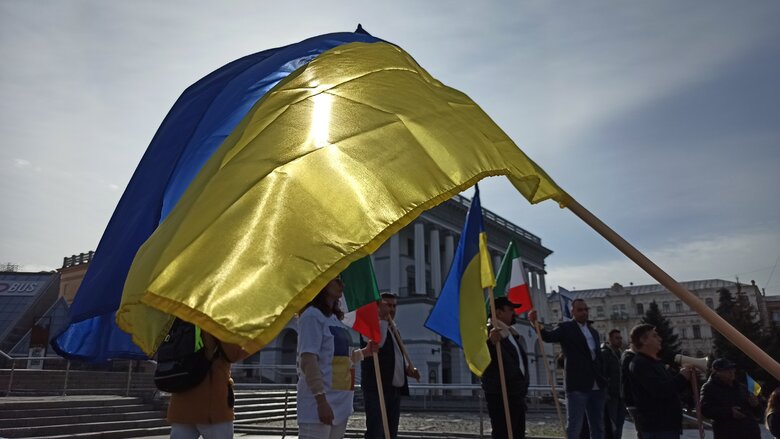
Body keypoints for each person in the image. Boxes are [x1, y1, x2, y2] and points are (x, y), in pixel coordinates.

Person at [297, 277, 377, 439]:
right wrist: (321, 401)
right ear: (322, 283)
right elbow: (308, 360)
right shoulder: (312, 316)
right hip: (319, 405)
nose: (343, 284)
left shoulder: (336, 320)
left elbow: (342, 359)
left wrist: (365, 352)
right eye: (337, 280)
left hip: (341, 404)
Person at [529, 299, 607, 439]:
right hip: (577, 385)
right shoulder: (566, 328)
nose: (584, 312)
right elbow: (548, 336)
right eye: (580, 310)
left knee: (598, 425)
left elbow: (598, 357)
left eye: (585, 309)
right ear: (573, 312)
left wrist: (604, 377)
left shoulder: (593, 332)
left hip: (597, 385)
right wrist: (535, 324)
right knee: (574, 425)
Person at [167, 330, 251, 439]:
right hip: (212, 406)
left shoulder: (183, 319)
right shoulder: (214, 323)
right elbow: (234, 354)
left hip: (181, 403)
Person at [361, 292, 420, 439]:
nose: (392, 309)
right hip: (377, 388)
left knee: (391, 433)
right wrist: (381, 319)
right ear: (378, 306)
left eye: (394, 306)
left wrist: (407, 371)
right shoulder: (370, 327)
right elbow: (377, 345)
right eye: (387, 305)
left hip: (394, 391)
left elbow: (394, 357)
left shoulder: (394, 329)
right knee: (376, 432)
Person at [626, 324, 693, 439]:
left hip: (667, 425)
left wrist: (686, 378)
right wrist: (682, 377)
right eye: (654, 336)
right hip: (658, 427)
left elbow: (672, 388)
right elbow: (661, 390)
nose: (660, 339)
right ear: (644, 340)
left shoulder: (655, 363)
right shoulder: (640, 364)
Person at [482, 296, 530, 439]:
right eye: (510, 310)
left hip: (516, 394)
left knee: (517, 433)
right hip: (501, 394)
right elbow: (482, 357)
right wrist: (490, 342)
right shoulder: (489, 332)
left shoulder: (510, 333)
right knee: (503, 433)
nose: (514, 313)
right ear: (498, 312)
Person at [699, 358, 762, 439]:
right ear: (717, 372)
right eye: (726, 370)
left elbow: (758, 413)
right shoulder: (709, 388)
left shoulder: (741, 387)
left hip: (750, 433)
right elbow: (705, 410)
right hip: (728, 433)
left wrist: (756, 405)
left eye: (732, 369)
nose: (731, 372)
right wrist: (729, 412)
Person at [600, 329, 625, 439]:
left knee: (620, 424)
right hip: (611, 395)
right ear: (610, 339)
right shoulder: (605, 353)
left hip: (621, 395)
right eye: (617, 338)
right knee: (611, 424)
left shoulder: (620, 354)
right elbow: (602, 374)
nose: (620, 340)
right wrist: (606, 392)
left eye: (620, 338)